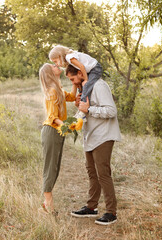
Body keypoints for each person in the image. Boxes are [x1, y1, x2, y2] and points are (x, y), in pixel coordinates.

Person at [65, 64, 121, 225]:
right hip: (91, 136)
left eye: (73, 78)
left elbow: (111, 111)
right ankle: (91, 207)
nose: (73, 83)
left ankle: (111, 212)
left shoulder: (99, 85)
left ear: (80, 73)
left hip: (103, 135)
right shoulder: (86, 87)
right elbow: (85, 111)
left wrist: (89, 110)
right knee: (91, 172)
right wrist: (79, 111)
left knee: (103, 173)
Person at [39, 63, 77, 214]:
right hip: (52, 131)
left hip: (57, 131)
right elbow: (53, 118)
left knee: (55, 167)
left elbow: (72, 97)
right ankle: (48, 204)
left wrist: (75, 82)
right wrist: (67, 126)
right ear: (50, 72)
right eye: (53, 66)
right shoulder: (52, 91)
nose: (57, 66)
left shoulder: (58, 89)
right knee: (50, 168)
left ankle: (46, 202)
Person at [49, 45, 103, 122]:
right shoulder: (69, 59)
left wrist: (86, 79)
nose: (56, 64)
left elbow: (82, 66)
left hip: (95, 69)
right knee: (81, 88)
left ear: (60, 56)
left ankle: (82, 112)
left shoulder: (69, 57)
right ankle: (80, 109)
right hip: (90, 70)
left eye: (55, 61)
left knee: (86, 85)